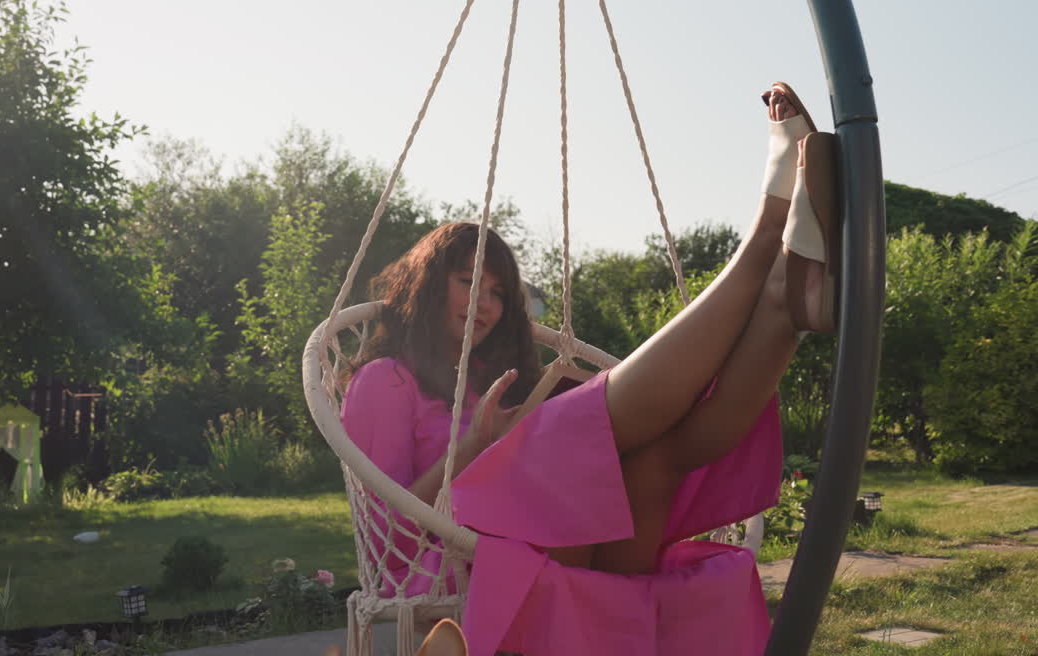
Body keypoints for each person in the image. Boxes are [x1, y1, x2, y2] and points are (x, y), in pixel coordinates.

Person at [340, 83, 834, 650]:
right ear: (428, 284)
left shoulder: (484, 382)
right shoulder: (386, 379)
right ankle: (767, 239)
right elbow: (388, 539)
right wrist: (478, 447)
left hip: (538, 527)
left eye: (500, 293)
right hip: (455, 564)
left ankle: (784, 306)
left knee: (652, 463)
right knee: (566, 435)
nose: (487, 305)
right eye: (469, 282)